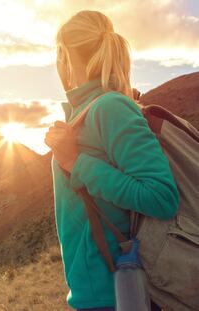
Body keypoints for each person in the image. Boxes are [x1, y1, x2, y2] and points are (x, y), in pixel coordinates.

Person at [44, 10, 179, 311]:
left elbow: (161, 196)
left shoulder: (111, 108)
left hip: (119, 294)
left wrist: (77, 163)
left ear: (65, 55)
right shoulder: (88, 112)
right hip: (97, 293)